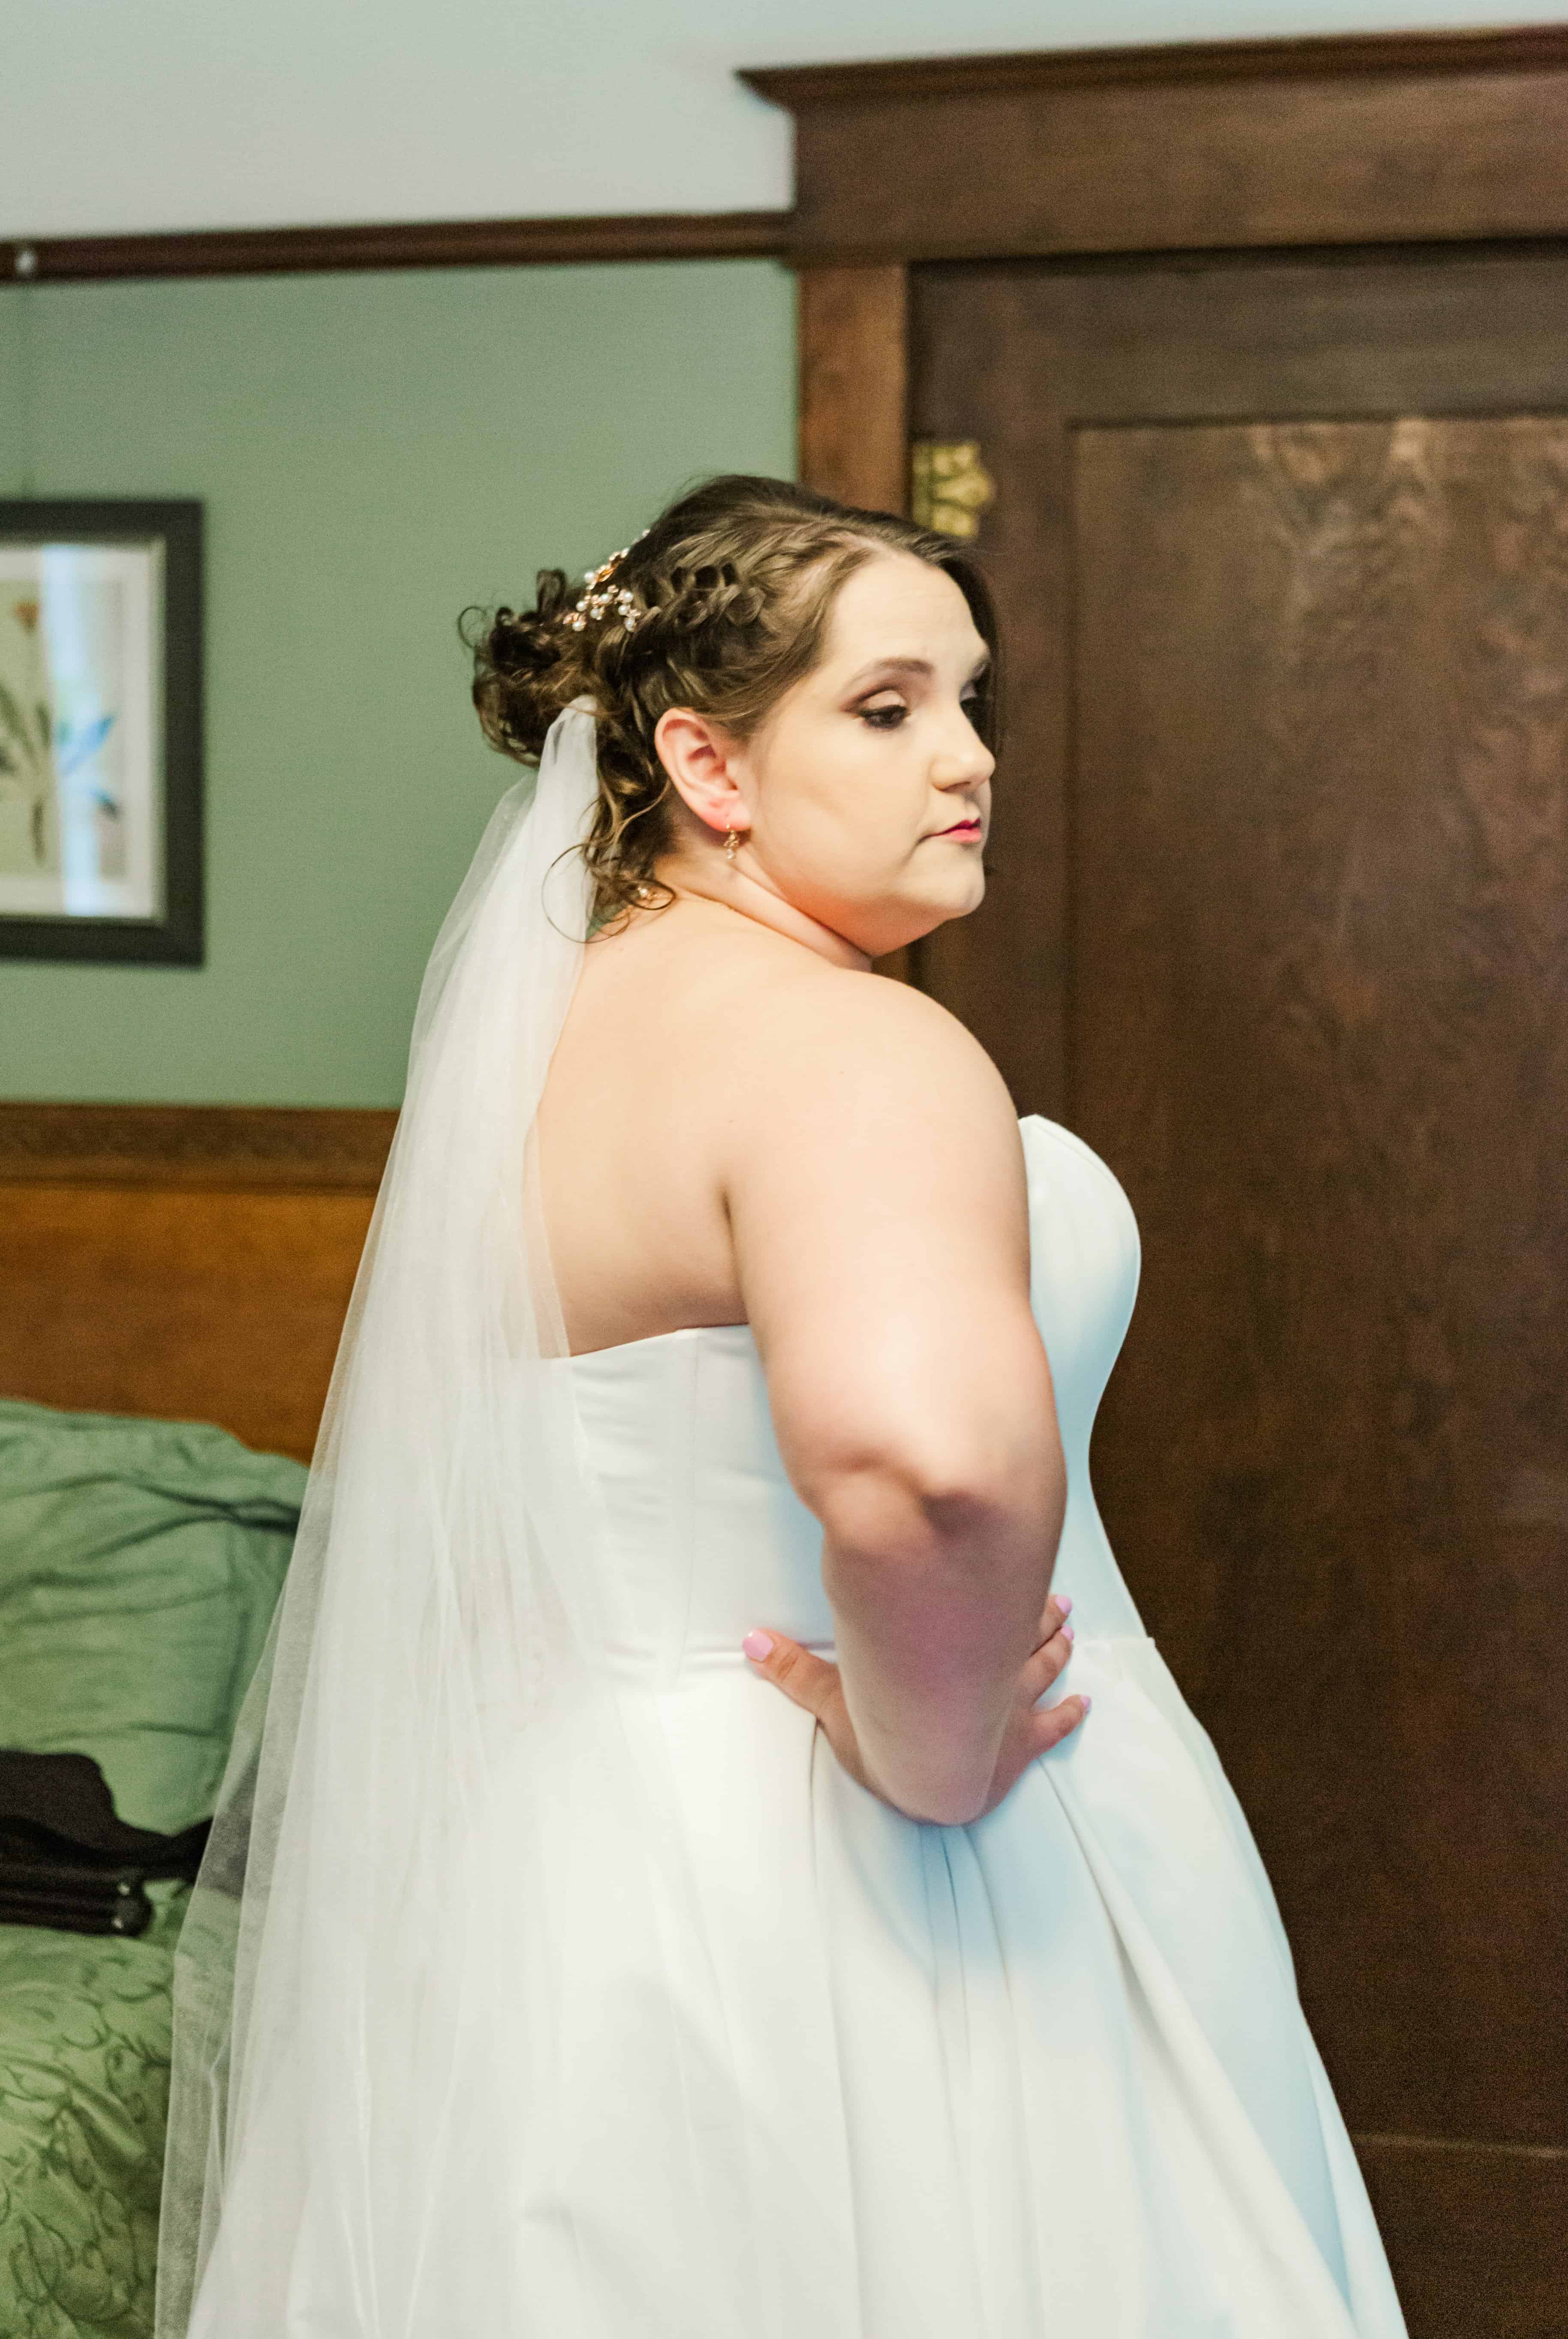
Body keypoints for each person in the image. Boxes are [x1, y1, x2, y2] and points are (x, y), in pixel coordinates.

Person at [156, 475, 1407, 2338]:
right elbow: (929, 1467)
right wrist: (932, 1756)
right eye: (888, 708)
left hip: (567, 1864)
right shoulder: (846, 1046)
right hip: (871, 1869)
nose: (969, 757)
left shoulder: (552, 1041)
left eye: (972, 700)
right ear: (707, 765)